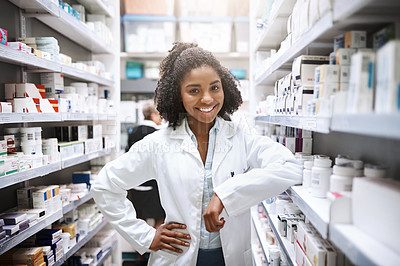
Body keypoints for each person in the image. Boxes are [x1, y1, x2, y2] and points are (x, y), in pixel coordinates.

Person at [91, 42, 302, 266]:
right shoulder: (157, 144)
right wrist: (146, 236)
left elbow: (290, 167)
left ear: (225, 88)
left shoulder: (241, 137)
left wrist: (225, 195)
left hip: (230, 258)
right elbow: (105, 186)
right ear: (178, 95)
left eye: (214, 87)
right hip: (177, 257)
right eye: (194, 90)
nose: (207, 99)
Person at [126, 100, 165, 229]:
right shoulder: (158, 133)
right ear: (153, 115)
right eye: (160, 115)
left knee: (139, 219)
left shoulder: (133, 132)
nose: (161, 119)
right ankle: (157, 246)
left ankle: (141, 248)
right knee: (160, 218)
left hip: (136, 185)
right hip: (153, 185)